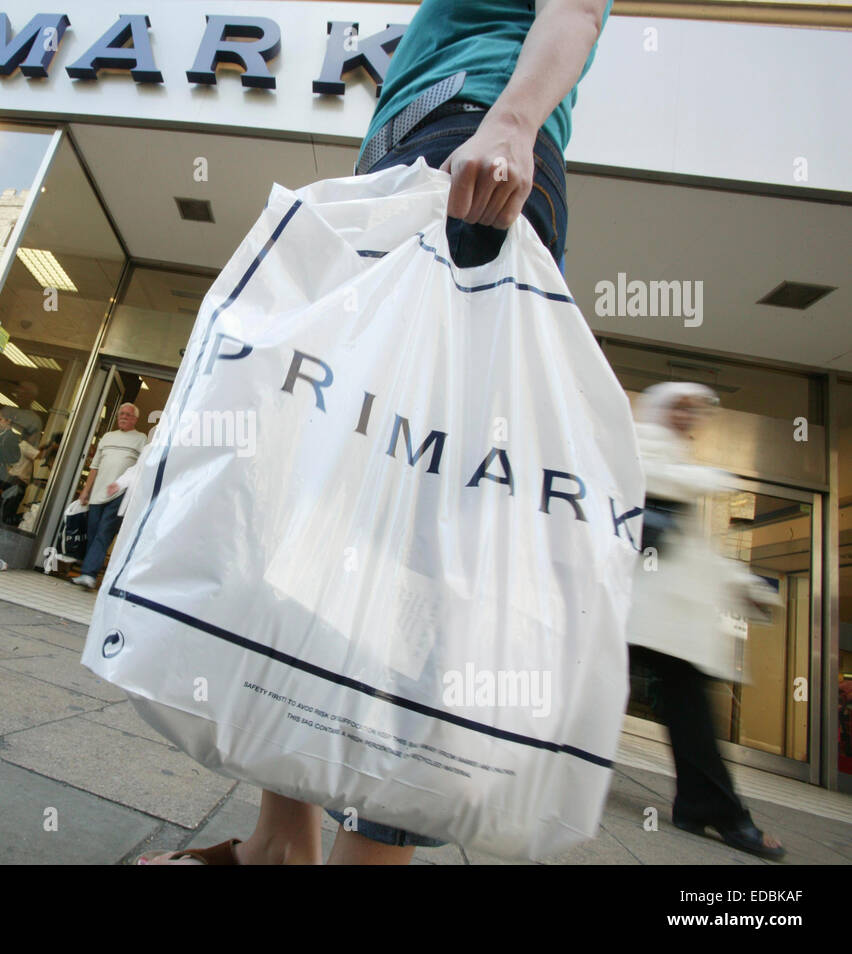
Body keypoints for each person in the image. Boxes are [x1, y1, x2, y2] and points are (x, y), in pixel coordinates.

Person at [143, 0, 613, 864]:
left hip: (474, 138)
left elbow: (577, 8)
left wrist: (511, 122)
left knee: (417, 519)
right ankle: (282, 842)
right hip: (430, 141)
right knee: (344, 485)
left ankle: (367, 857)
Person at [626, 383, 785, 859]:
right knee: (685, 707)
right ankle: (716, 810)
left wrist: (745, 585)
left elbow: (698, 551)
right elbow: (647, 474)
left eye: (696, 410)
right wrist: (708, 478)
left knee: (687, 708)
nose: (689, 417)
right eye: (681, 407)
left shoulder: (680, 462)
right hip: (638, 612)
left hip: (660, 620)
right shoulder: (641, 439)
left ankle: (705, 805)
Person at [71, 403, 146, 589]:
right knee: (93, 533)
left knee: (104, 533)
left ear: (135, 419)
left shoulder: (141, 439)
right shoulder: (107, 437)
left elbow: (141, 469)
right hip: (98, 494)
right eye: (121, 413)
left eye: (128, 414)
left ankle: (88, 574)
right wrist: (85, 492)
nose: (124, 416)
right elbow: (94, 467)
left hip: (120, 494)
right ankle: (88, 573)